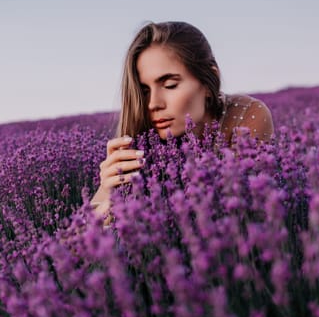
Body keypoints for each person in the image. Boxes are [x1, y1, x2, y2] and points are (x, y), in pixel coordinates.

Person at [91, 21, 274, 221]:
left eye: (170, 85)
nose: (153, 104)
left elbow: (242, 217)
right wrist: (108, 197)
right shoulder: (142, 137)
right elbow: (71, 245)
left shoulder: (244, 116)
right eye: (144, 91)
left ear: (208, 81)